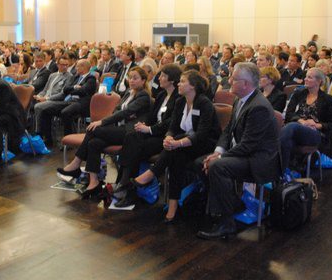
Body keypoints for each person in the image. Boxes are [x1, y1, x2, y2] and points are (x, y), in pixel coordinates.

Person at [196, 63, 280, 240]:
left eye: (234, 79)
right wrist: (218, 151)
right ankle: (231, 205)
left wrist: (220, 157)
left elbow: (249, 145)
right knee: (200, 162)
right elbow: (228, 130)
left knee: (217, 166)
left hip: (258, 160)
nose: (229, 80)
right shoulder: (240, 99)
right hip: (243, 153)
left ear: (245, 84)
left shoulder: (259, 107)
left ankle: (227, 224)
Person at [131, 70, 221, 223]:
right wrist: (168, 138)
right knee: (176, 158)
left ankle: (152, 174)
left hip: (205, 144)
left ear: (192, 86)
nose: (178, 84)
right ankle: (172, 208)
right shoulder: (180, 102)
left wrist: (177, 142)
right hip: (184, 145)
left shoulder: (204, 103)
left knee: (176, 146)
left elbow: (201, 134)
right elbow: (172, 127)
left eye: (183, 81)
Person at [57, 67, 153, 199]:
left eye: (135, 78)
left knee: (94, 128)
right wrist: (122, 116)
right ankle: (93, 182)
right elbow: (117, 110)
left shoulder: (143, 96)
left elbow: (125, 112)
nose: (131, 80)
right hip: (120, 128)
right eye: (130, 77)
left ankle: (76, 163)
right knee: (94, 143)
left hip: (131, 133)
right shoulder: (129, 93)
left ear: (143, 80)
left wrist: (102, 122)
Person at [113, 64, 182, 207]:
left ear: (172, 80)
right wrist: (143, 125)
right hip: (153, 132)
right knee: (132, 136)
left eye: (163, 76)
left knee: (135, 148)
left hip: (166, 136)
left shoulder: (179, 98)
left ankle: (125, 186)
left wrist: (149, 129)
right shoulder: (162, 95)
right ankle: (125, 184)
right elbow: (152, 117)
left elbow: (171, 123)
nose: (159, 78)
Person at [279, 68, 332, 170]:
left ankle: (278, 171)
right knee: (288, 141)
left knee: (291, 127)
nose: (305, 79)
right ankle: (285, 172)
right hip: (296, 128)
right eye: (306, 76)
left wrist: (317, 125)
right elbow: (289, 114)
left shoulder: (326, 99)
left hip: (315, 133)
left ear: (319, 81)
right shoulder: (298, 93)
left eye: (309, 77)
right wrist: (301, 121)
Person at [37, 59, 97, 147]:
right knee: (45, 110)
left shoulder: (91, 78)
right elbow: (65, 89)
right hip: (69, 101)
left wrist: (72, 90)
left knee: (65, 112)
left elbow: (83, 91)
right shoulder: (76, 77)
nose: (76, 68)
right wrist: (75, 87)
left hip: (81, 103)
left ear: (83, 67)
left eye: (77, 66)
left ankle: (68, 142)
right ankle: (48, 139)